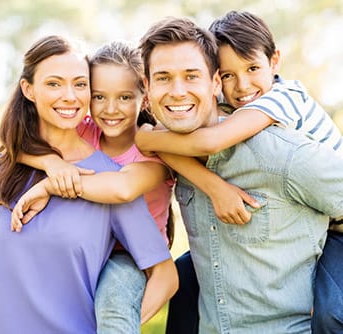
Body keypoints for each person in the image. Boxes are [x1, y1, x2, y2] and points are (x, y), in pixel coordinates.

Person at [11, 39, 254, 333]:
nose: (111, 109)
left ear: (145, 95)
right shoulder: (84, 129)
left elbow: (121, 190)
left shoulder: (152, 150)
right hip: (87, 246)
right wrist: (52, 164)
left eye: (125, 97)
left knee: (115, 305)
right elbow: (16, 141)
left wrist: (51, 185)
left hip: (129, 256)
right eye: (99, 97)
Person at [135, 11, 343, 333]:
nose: (242, 85)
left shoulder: (282, 131)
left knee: (333, 309)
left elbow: (214, 139)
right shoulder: (178, 141)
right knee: (185, 278)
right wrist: (212, 184)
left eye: (191, 76)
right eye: (164, 77)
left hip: (338, 228)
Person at [0, 35, 178, 334]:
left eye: (79, 84)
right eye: (54, 83)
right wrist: (52, 164)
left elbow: (164, 274)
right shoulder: (10, 164)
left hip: (123, 265)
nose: (69, 96)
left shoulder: (117, 173)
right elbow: (19, 140)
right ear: (28, 89)